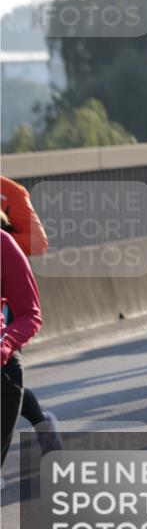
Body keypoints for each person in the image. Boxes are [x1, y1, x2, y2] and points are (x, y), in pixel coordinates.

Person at [0, 176, 62, 453]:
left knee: (7, 368)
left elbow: (38, 243)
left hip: (10, 289)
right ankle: (41, 422)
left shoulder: (10, 191)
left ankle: (40, 422)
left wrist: (5, 240)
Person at [1, 224, 43, 469]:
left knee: (9, 380)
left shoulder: (3, 244)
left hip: (2, 369)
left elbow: (30, 314)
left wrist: (5, 343)